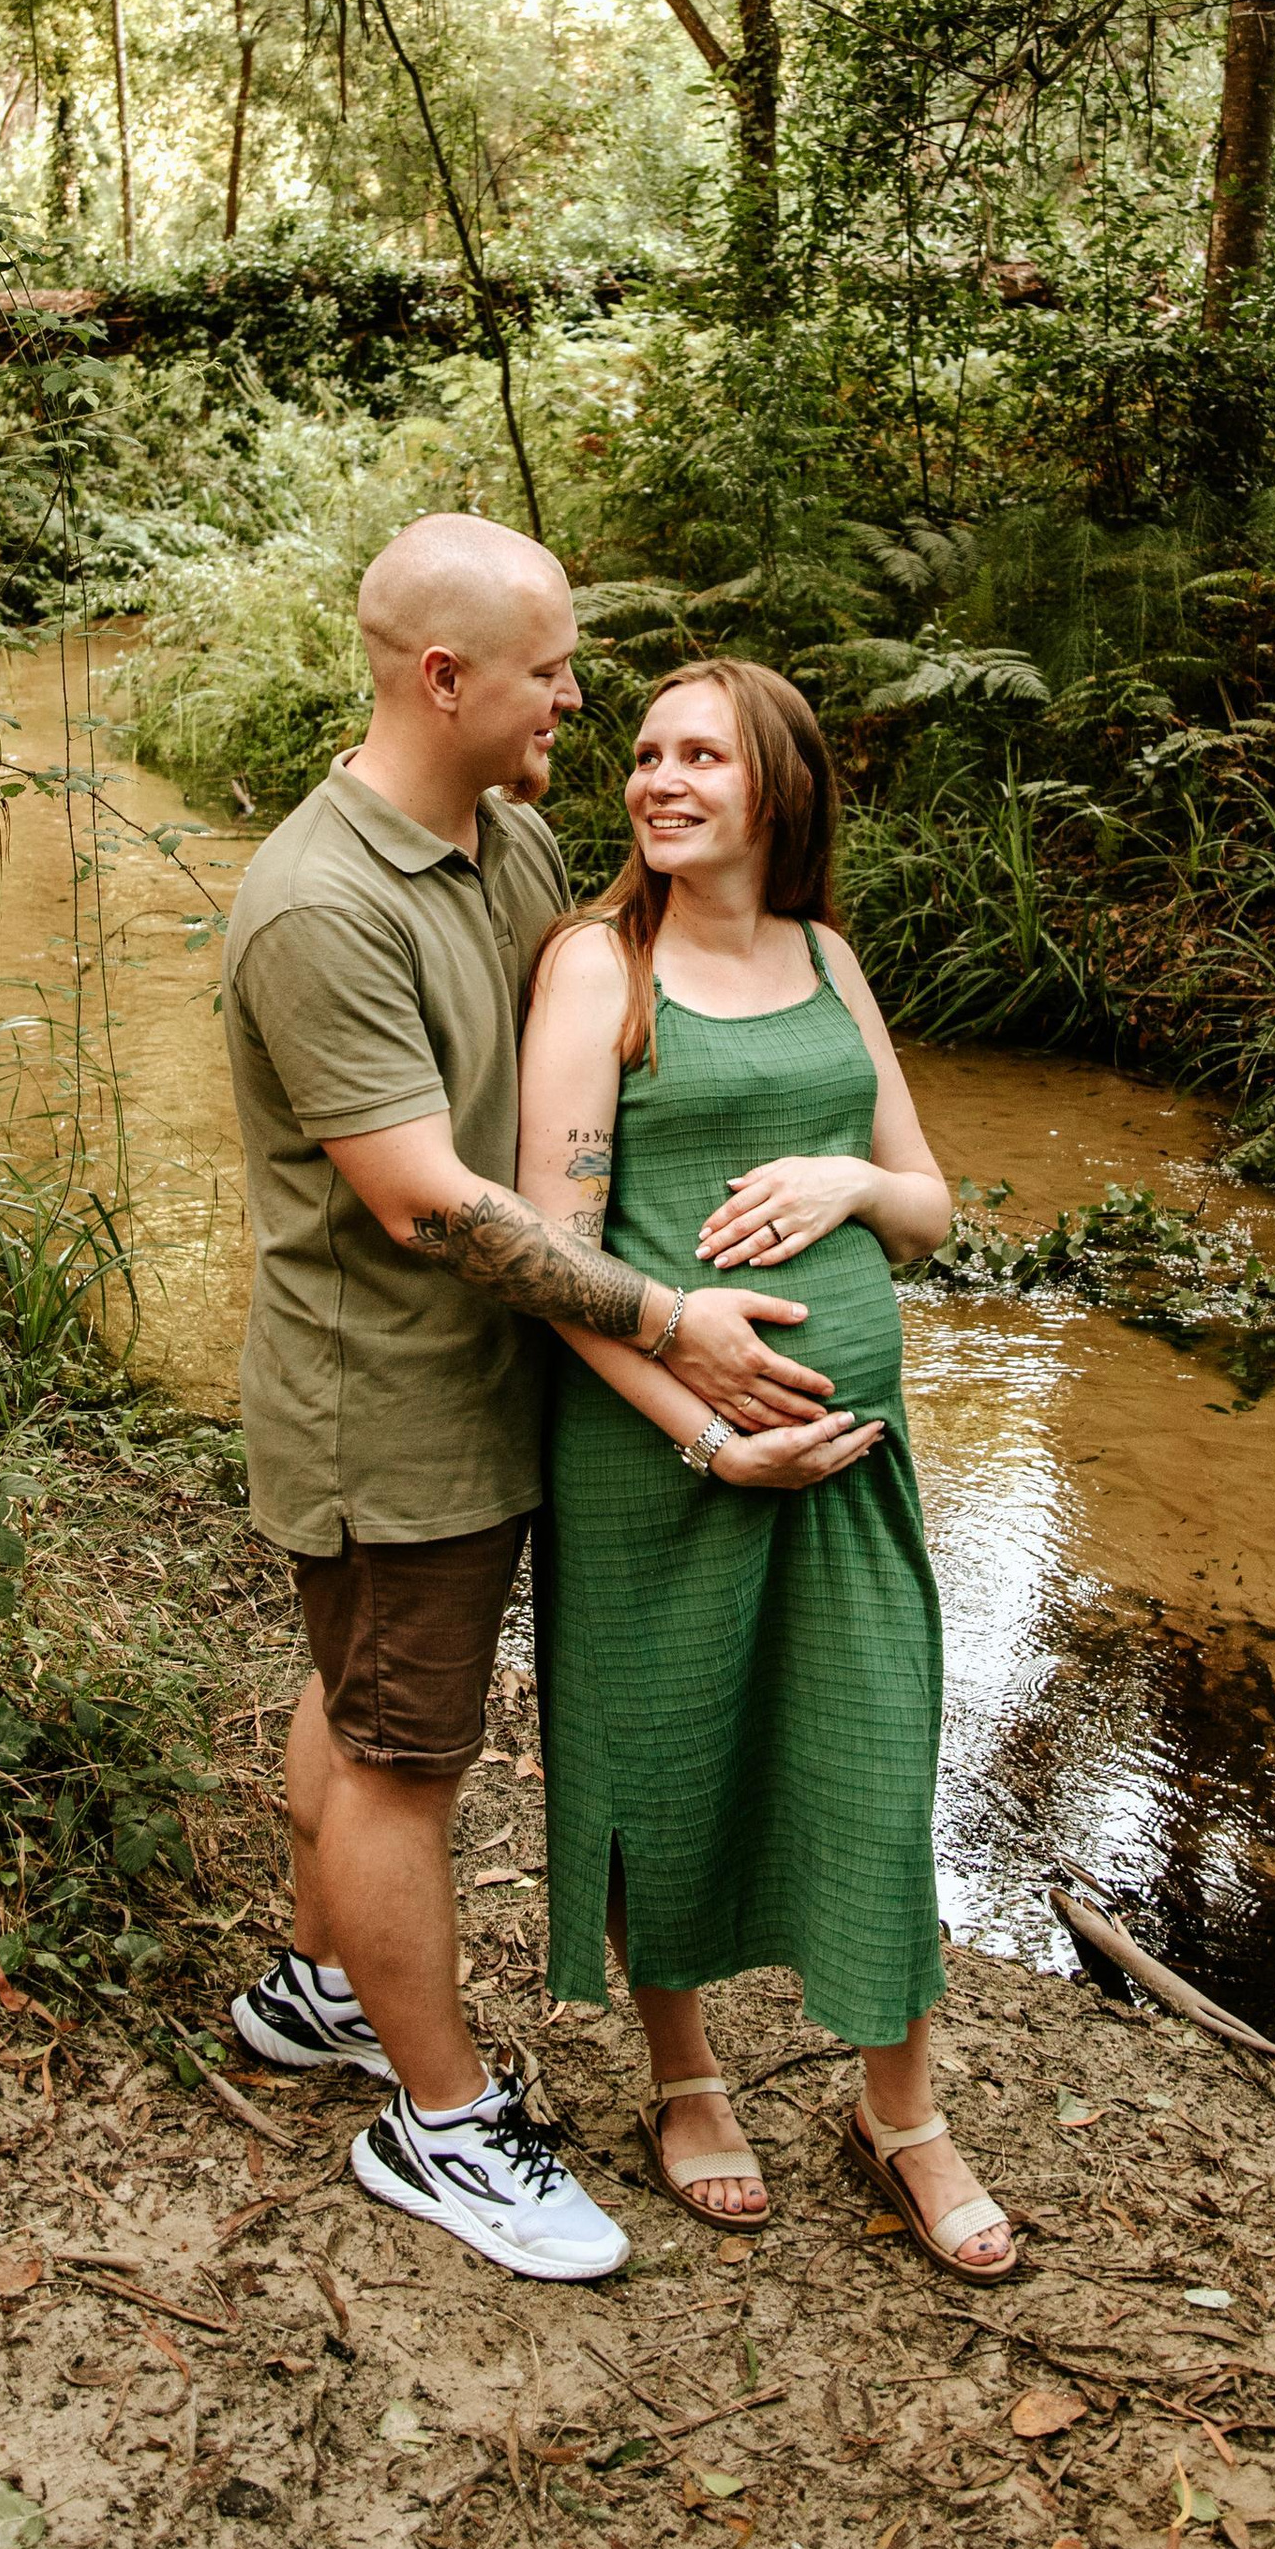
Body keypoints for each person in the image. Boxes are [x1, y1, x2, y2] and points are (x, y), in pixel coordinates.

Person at [217, 516, 872, 2283]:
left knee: (357, 1695)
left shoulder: (503, 845)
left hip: (504, 1385)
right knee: (405, 1757)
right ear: (447, 678)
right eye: (555, 670)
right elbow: (431, 1198)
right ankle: (440, 2123)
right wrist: (677, 1327)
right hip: (392, 1406)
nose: (580, 700)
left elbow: (608, 1068)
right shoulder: (319, 904)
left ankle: (320, 1987)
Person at [515, 657, 1016, 2281]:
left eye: (701, 757)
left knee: (874, 1754)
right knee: (661, 1760)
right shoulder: (602, 965)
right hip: (657, 1459)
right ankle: (685, 2077)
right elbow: (546, 1257)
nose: (659, 780)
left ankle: (903, 2112)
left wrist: (844, 1175)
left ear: (777, 789)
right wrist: (715, 1434)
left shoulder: (826, 959)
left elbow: (937, 1206)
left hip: (856, 1461)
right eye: (647, 754)